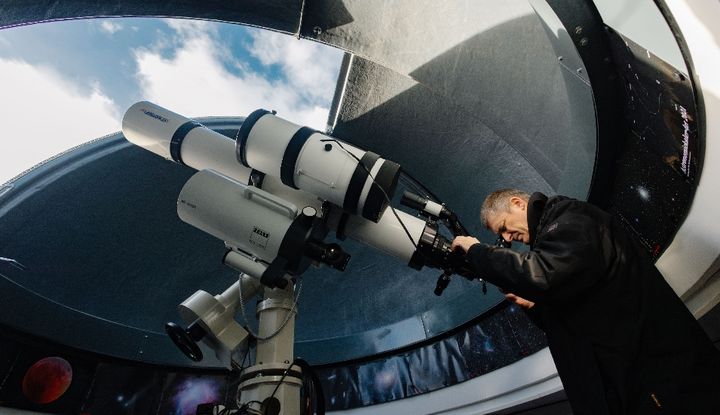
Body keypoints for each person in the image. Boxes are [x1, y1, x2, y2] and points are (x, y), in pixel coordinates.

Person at [451, 189, 720, 415]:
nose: (507, 239)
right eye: (502, 236)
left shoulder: (569, 217)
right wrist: (537, 308)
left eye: (504, 229)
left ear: (518, 203)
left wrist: (477, 251)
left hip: (660, 384)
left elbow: (543, 273)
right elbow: (578, 317)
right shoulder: (554, 243)